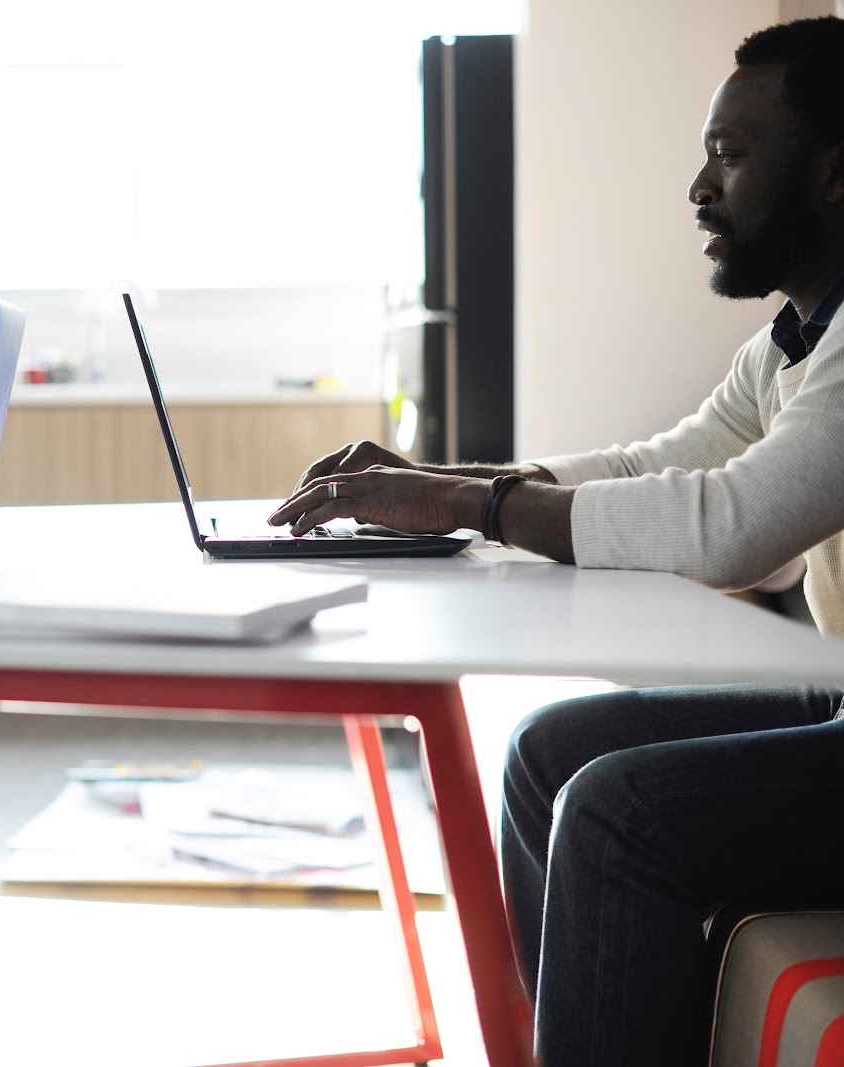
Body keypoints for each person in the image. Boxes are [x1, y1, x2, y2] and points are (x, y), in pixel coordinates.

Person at [270, 16, 844, 1067]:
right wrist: (438, 482)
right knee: (547, 750)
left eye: (730, 151)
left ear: (834, 173)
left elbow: (732, 527)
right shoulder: (793, 344)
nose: (698, 187)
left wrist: (464, 506)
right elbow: (656, 467)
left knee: (615, 813)